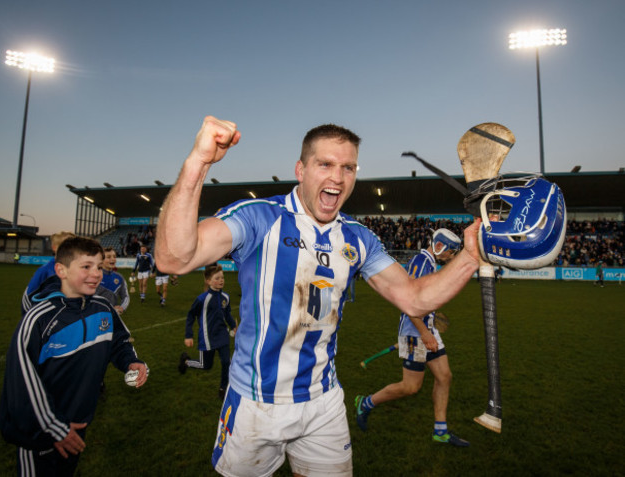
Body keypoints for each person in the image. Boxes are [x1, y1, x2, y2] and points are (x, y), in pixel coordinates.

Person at [155, 116, 481, 477]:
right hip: (256, 402)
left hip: (323, 400)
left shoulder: (358, 238)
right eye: (325, 164)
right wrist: (198, 163)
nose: (338, 178)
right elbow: (172, 258)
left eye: (348, 167)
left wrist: (470, 254)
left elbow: (415, 299)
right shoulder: (261, 218)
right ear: (301, 169)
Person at [0, 236, 149, 477]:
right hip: (41, 433)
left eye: (99, 266)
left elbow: (119, 341)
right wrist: (55, 429)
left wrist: (132, 361)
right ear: (61, 270)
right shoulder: (39, 320)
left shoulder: (103, 307)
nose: (96, 274)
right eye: (86, 266)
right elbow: (22, 384)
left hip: (78, 424)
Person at [354, 229, 470, 447]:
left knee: (444, 376)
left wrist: (431, 322)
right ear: (440, 247)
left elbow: (423, 300)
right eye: (451, 252)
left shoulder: (429, 263)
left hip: (426, 330)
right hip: (416, 333)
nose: (452, 256)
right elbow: (408, 301)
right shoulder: (421, 262)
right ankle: (366, 402)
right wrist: (424, 333)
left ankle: (440, 431)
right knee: (410, 387)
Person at [178, 264, 237, 400]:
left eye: (222, 277)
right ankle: (186, 362)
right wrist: (188, 335)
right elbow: (191, 315)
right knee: (205, 365)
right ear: (208, 281)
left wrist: (233, 325)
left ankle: (223, 388)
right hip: (207, 337)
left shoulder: (225, 297)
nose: (221, 280)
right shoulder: (202, 299)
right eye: (217, 278)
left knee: (226, 363)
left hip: (222, 335)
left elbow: (227, 313)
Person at [21, 231, 75, 314]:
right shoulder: (45, 270)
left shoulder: (76, 269)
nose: (69, 249)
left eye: (73, 245)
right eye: (64, 245)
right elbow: (28, 297)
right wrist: (31, 316)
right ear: (54, 247)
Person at [97, 247, 130, 314]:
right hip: (95, 315)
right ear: (101, 260)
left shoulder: (119, 277)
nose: (112, 259)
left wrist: (122, 307)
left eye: (114, 257)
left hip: (112, 316)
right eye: (108, 257)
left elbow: (125, 296)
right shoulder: (95, 276)